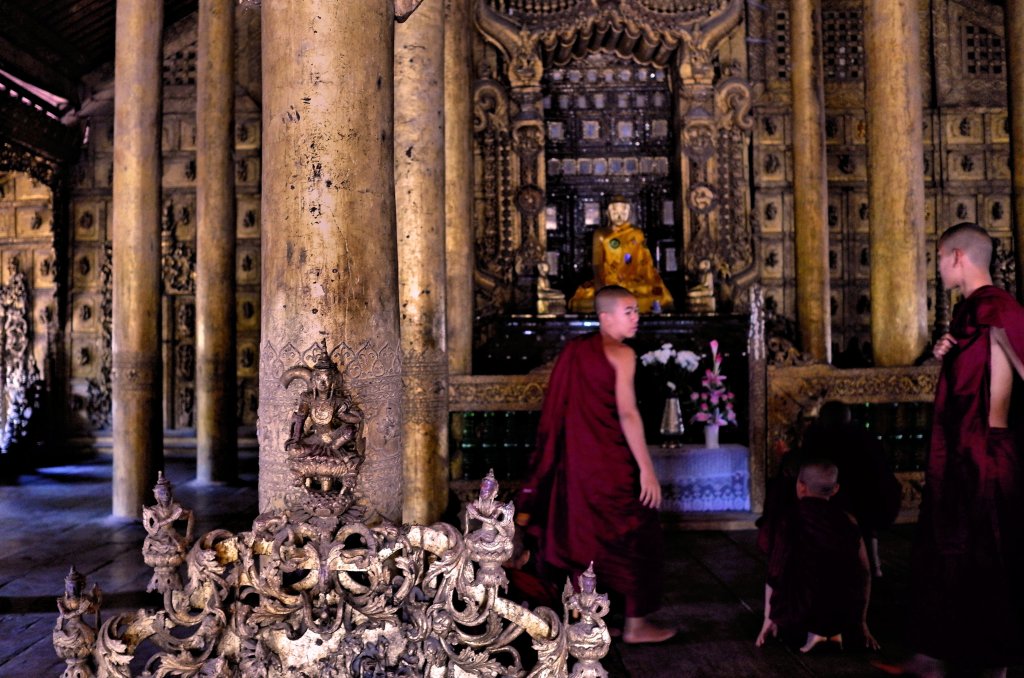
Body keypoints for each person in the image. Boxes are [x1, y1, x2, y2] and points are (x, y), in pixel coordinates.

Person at [516, 285, 675, 644]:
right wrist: (647, 470)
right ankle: (636, 626)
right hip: (614, 466)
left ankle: (584, 624)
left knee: (581, 540)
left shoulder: (574, 351)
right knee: (635, 534)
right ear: (605, 317)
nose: (636, 317)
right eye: (629, 311)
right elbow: (628, 414)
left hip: (579, 467)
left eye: (636, 311)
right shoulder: (621, 354)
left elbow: (558, 413)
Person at [901, 222, 1024, 677]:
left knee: (988, 556)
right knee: (958, 553)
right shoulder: (974, 315)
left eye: (937, 259)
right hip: (972, 454)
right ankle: (942, 655)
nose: (937, 269)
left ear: (957, 257)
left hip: (987, 455)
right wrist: (947, 352)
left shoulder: (995, 310)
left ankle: (991, 663)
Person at [755, 461, 878, 654]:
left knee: (789, 582)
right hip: (844, 614)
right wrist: (861, 622)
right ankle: (833, 631)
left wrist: (768, 619)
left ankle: (815, 631)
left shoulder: (790, 519)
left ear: (800, 486)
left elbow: (775, 572)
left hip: (801, 613)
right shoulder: (848, 520)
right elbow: (865, 573)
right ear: (835, 489)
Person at [568, 198, 674, 314]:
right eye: (615, 213)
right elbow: (597, 264)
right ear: (608, 213)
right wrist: (600, 286)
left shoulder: (636, 233)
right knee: (586, 300)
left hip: (634, 281)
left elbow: (645, 262)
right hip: (610, 280)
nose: (619, 216)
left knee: (652, 294)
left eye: (623, 213)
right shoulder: (601, 234)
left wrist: (648, 278)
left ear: (629, 213)